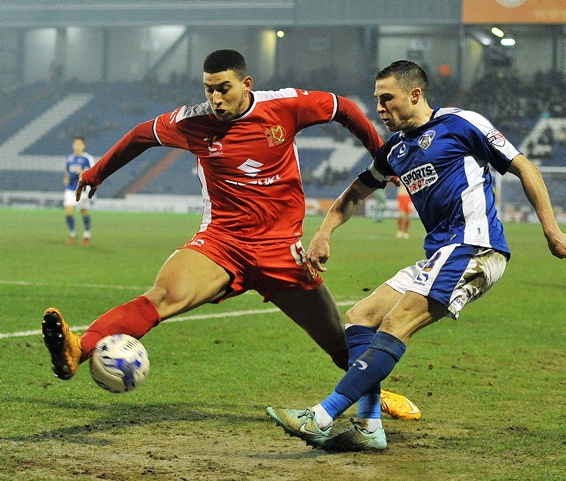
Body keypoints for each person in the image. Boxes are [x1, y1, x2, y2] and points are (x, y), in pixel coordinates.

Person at [41, 49, 419, 420]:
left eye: (224, 88)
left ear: (246, 84)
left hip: (281, 252)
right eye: (208, 89)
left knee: (338, 342)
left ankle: (376, 394)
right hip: (221, 244)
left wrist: (384, 157)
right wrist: (97, 173)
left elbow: (344, 109)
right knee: (162, 296)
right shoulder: (192, 122)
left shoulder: (283, 106)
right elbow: (142, 135)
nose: (215, 99)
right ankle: (79, 348)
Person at [266, 60, 566, 452]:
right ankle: (369, 425)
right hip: (439, 253)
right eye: (376, 100)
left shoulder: (461, 124)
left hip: (474, 246)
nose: (379, 108)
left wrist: (552, 231)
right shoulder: (396, 150)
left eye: (386, 98)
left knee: (395, 323)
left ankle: (321, 415)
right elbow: (355, 193)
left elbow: (525, 167)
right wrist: (323, 233)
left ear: (415, 94)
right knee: (361, 318)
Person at [63, 137, 94, 245]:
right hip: (70, 189)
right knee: (68, 212)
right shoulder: (69, 159)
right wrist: (66, 179)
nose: (77, 146)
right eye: (76, 144)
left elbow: (93, 172)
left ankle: (87, 234)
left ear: (83, 146)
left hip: (82, 189)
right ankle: (72, 234)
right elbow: (67, 173)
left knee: (84, 211)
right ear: (73, 145)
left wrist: (82, 172)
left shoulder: (87, 158)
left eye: (79, 144)